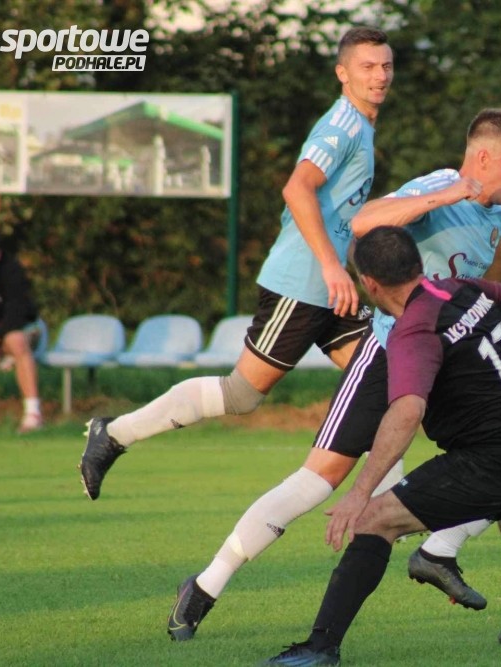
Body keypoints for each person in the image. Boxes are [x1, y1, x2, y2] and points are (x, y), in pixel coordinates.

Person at [166, 108, 501, 641]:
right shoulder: (439, 186)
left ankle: (440, 551)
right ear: (483, 157)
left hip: (445, 358)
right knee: (317, 480)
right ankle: (205, 585)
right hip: (387, 354)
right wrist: (449, 195)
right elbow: (364, 224)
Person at [261, 226, 501, 665]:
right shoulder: (460, 288)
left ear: (370, 284)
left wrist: (359, 493)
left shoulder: (414, 330)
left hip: (494, 459)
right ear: (418, 264)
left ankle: (320, 647)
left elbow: (407, 411)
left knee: (373, 520)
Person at [78, 26, 394, 500]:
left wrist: (345, 268)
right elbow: (297, 189)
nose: (380, 75)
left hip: (330, 287)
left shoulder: (362, 126)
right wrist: (331, 267)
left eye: (386, 65)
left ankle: (392, 507)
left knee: (382, 377)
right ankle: (114, 433)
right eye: (367, 66)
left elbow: (335, 214)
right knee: (242, 395)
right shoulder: (343, 125)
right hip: (302, 284)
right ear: (342, 73)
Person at [0, 225, 44, 434]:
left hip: (21, 329)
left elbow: (16, 316)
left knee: (15, 340)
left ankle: (33, 414)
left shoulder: (11, 271)